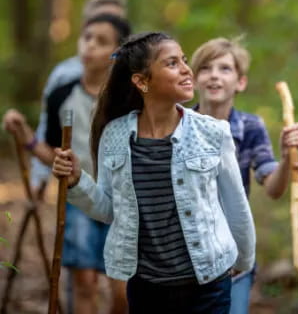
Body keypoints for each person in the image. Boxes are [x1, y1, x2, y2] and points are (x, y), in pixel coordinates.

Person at [51, 32, 256, 314]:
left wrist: (243, 261)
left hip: (209, 283)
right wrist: (76, 181)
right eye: (172, 63)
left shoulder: (212, 132)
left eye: (184, 61)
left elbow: (236, 206)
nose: (187, 69)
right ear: (142, 81)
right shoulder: (116, 134)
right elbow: (110, 209)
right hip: (147, 287)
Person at [3, 14, 131, 314]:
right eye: (86, 37)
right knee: (83, 281)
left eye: (101, 41)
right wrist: (27, 138)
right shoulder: (62, 94)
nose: (89, 46)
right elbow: (52, 153)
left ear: (118, 51)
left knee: (122, 291)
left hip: (125, 201)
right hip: (78, 196)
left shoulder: (128, 99)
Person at [190, 37, 298, 314]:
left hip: (234, 257)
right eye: (206, 68)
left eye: (225, 69)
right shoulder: (178, 123)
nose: (214, 75)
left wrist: (287, 155)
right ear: (193, 80)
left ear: (240, 82)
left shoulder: (251, 127)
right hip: (187, 255)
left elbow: (273, 188)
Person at [31, 0, 127, 190]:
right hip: (80, 188)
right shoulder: (63, 78)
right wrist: (39, 179)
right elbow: (48, 132)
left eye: (114, 20)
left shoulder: (133, 88)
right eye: (88, 36)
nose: (91, 45)